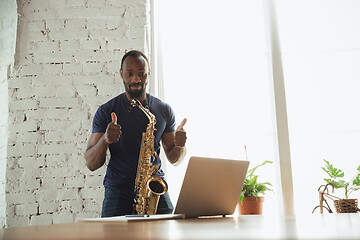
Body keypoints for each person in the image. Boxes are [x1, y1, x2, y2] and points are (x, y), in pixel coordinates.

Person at [84, 50, 187, 217]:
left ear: (148, 73)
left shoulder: (163, 109)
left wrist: (181, 146)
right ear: (121, 74)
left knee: (171, 228)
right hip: (118, 186)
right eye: (129, 74)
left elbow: (174, 158)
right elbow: (91, 163)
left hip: (153, 184)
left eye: (141, 74)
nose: (136, 80)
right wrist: (105, 140)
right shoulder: (106, 111)